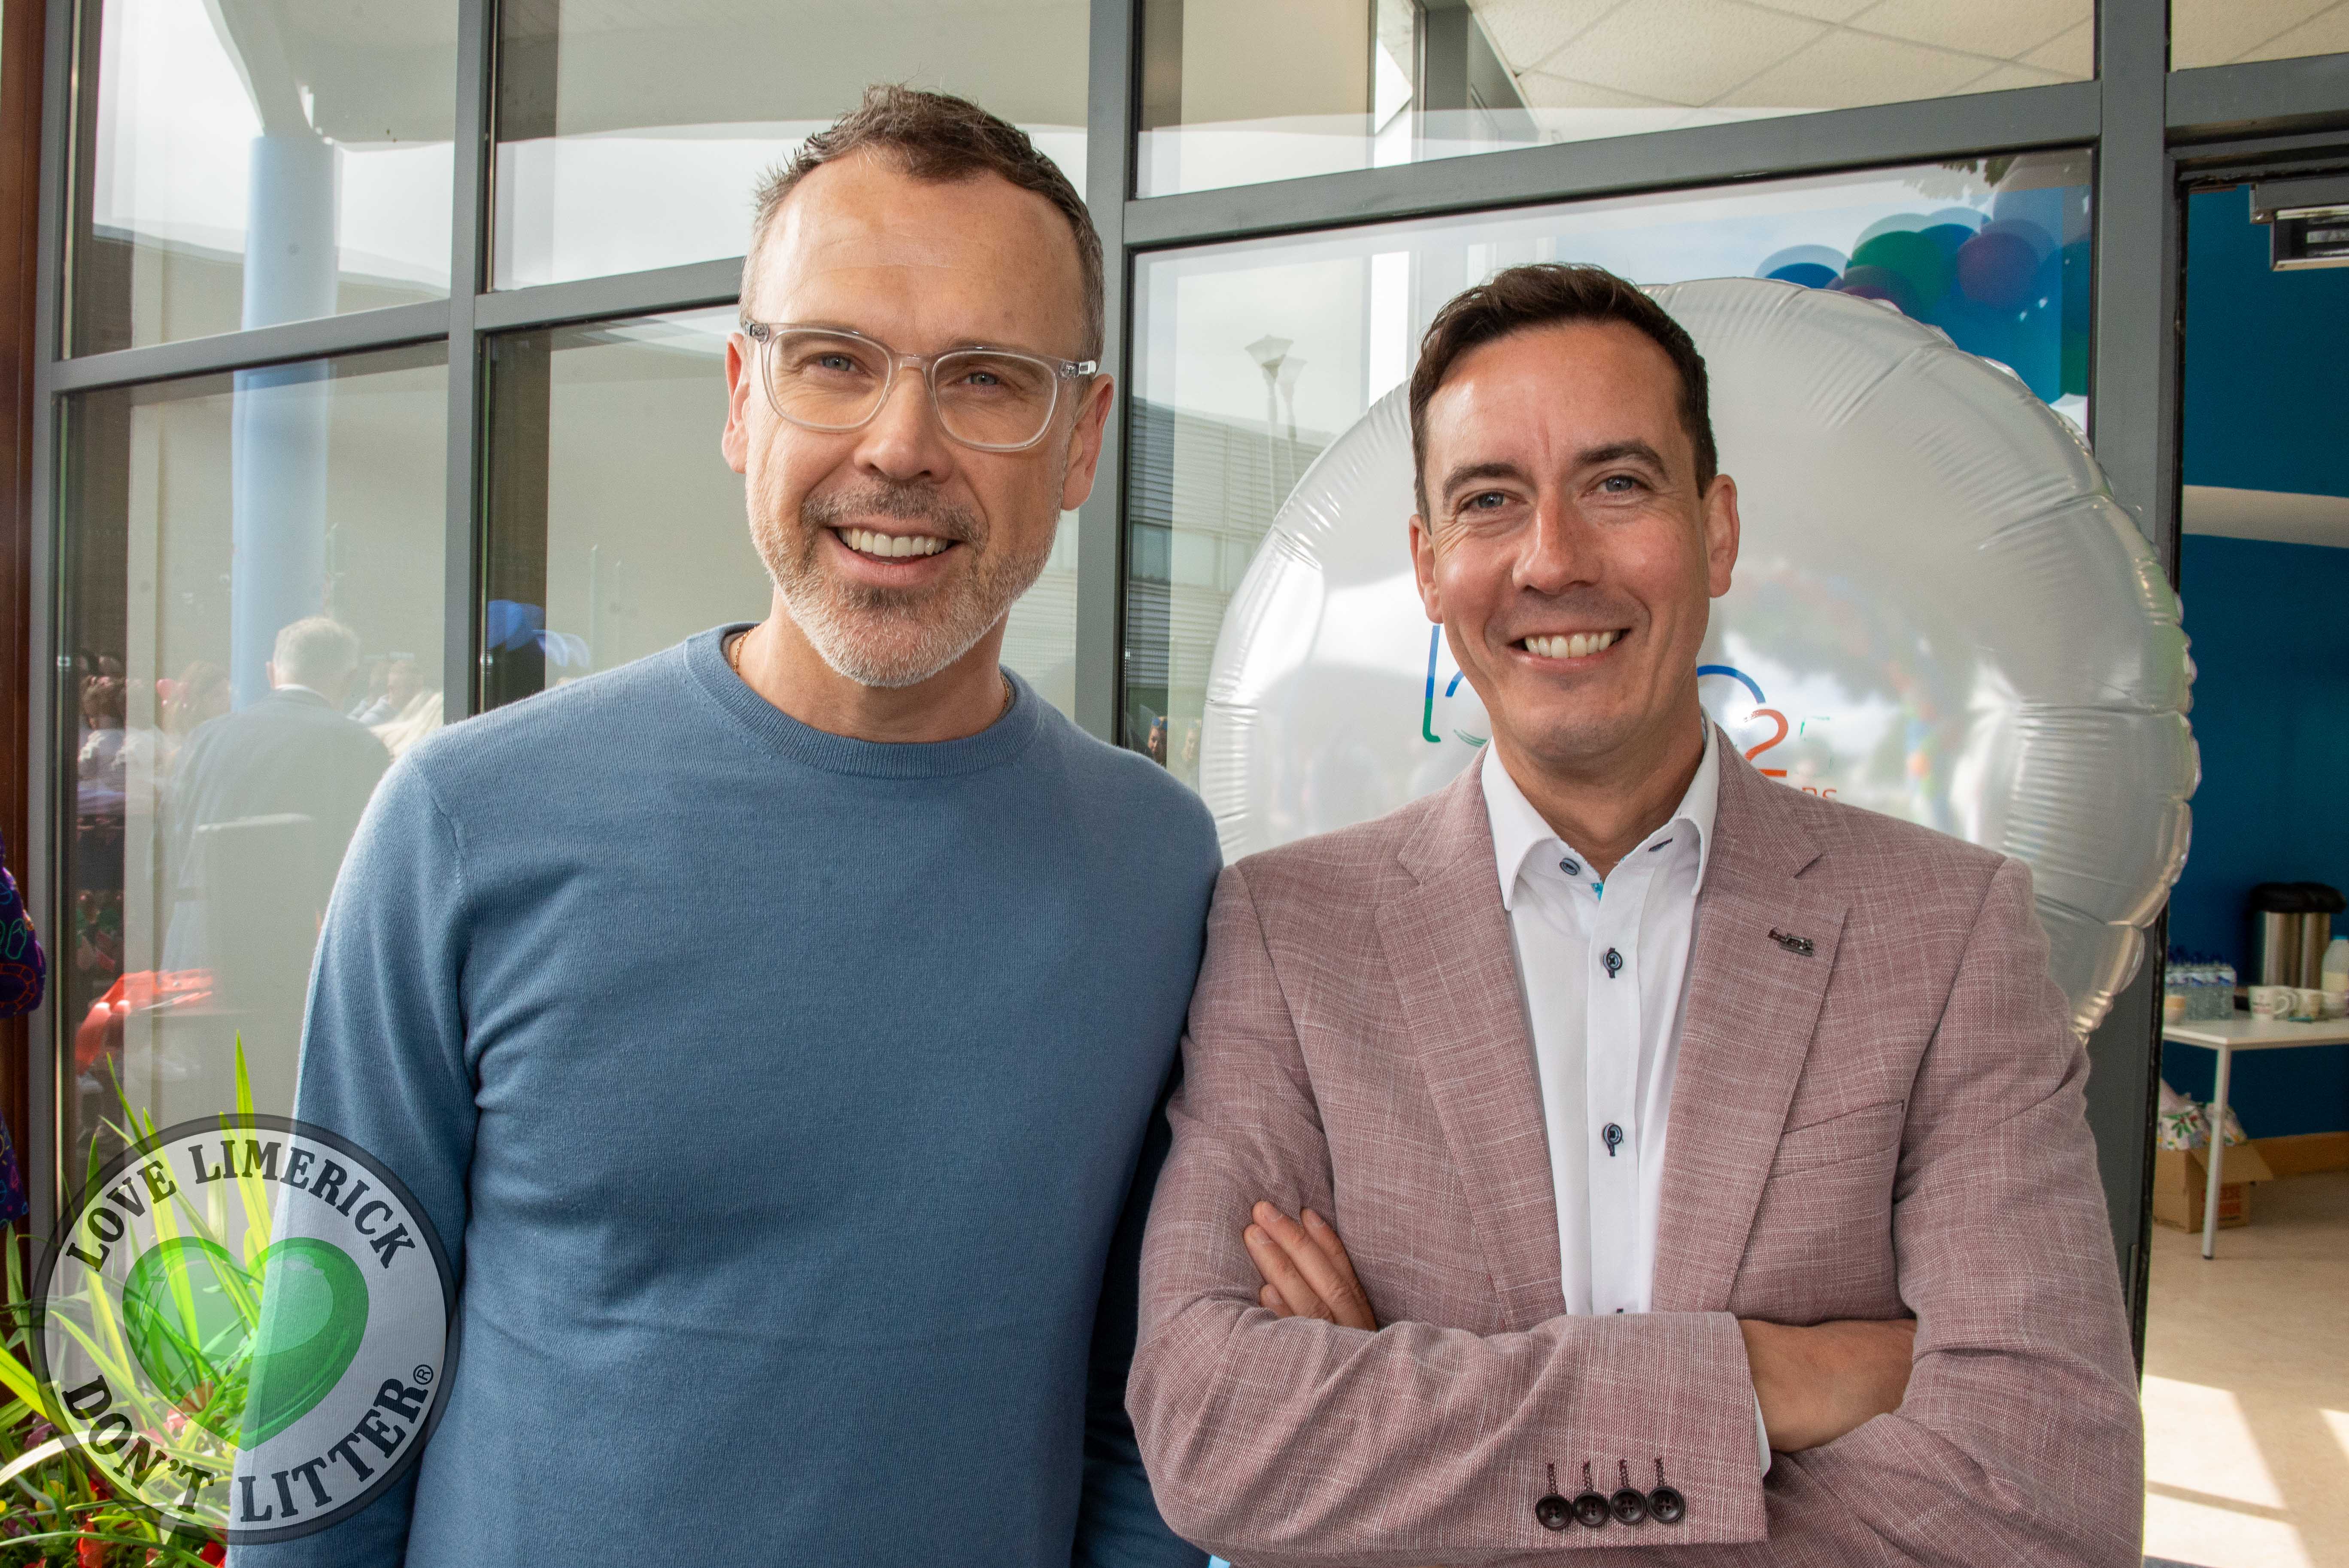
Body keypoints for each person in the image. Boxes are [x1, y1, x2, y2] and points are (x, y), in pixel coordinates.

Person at [236, 86, 1217, 1566]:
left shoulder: (1156, 870)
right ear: (744, 400)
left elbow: (1139, 1415)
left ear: (1079, 442)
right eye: (835, 362)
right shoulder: (465, 827)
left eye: (987, 380)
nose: (902, 444)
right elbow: (333, 1411)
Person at [1126, 264, 2142, 1565]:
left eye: (1616, 485)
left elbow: (2051, 1489)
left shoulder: (1948, 932)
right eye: (1490, 500)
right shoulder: (1288, 932)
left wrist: (1415, 1457)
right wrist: (1760, 1381)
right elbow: (1214, 1432)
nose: (1552, 560)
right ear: (1429, 567)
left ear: (1716, 531)